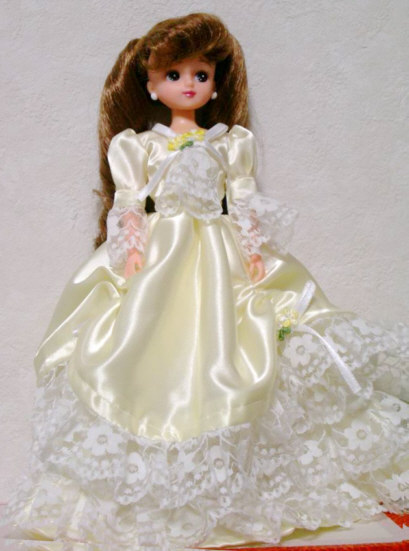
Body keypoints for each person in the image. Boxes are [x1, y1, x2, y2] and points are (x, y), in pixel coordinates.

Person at [2, 12, 409, 551]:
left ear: (215, 83)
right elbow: (130, 203)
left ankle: (240, 487)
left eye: (201, 74)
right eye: (174, 75)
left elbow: (241, 201)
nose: (189, 84)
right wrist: (130, 249)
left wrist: (253, 253)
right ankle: (149, 484)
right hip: (162, 255)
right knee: (150, 347)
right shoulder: (138, 145)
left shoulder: (229, 143)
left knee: (235, 346)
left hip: (220, 257)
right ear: (151, 85)